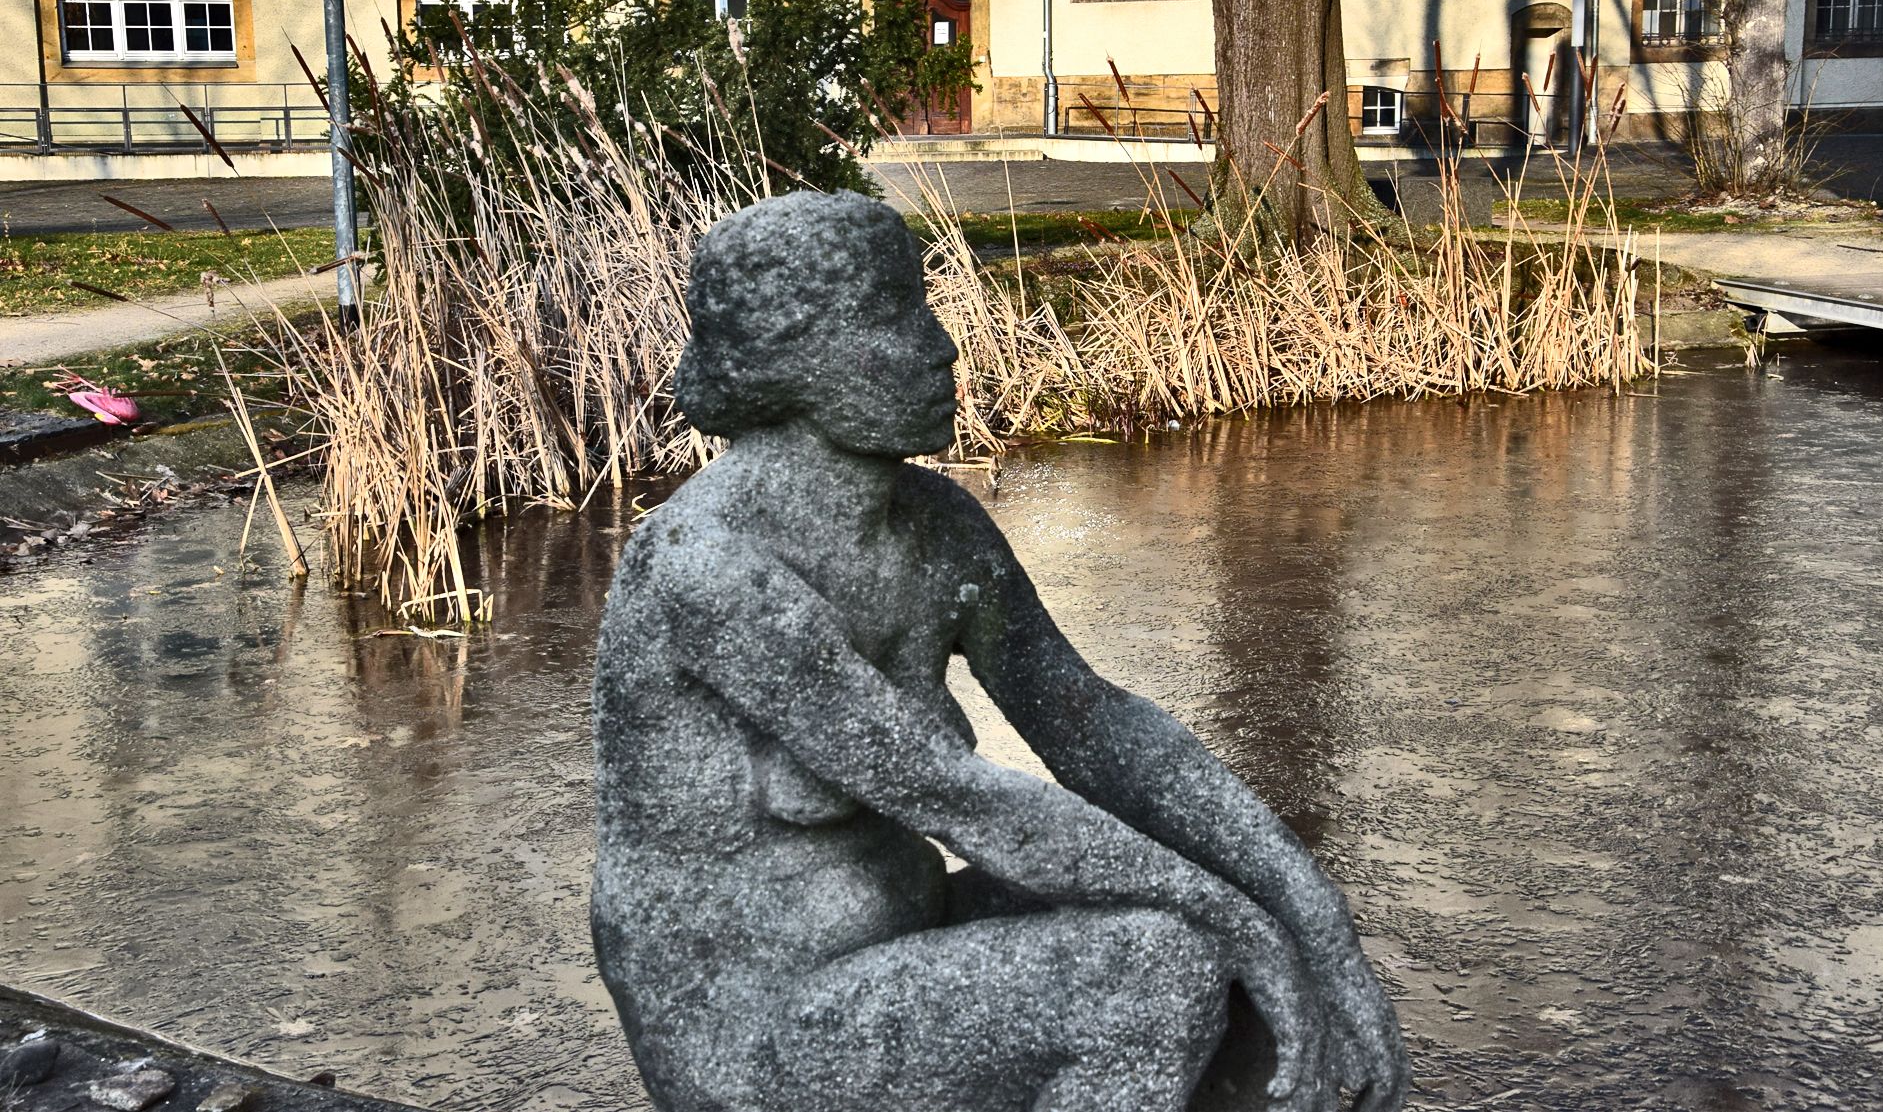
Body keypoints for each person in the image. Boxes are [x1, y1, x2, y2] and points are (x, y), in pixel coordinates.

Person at [593, 192, 1407, 1112]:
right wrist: (1238, 915)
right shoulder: (708, 566)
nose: (943, 346)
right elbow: (949, 793)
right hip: (754, 1036)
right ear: (791, 355)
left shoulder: (942, 529)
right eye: (896, 316)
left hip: (892, 952)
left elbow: (1088, 721)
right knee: (1155, 964)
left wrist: (1312, 920)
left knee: (1238, 947)